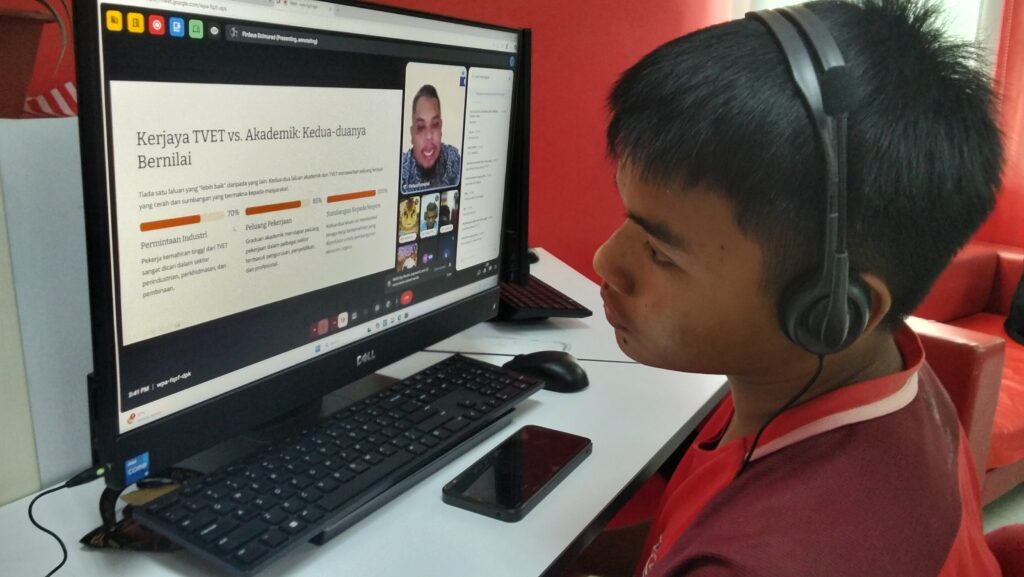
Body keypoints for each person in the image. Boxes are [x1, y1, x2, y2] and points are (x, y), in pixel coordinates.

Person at [581, 1, 1004, 576]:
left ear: (830, 311)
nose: (605, 261)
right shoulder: (872, 378)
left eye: (661, 252)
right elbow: (678, 535)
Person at [400, 84, 462, 191]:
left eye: (435, 124)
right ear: (412, 134)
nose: (429, 136)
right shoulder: (400, 170)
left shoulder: (453, 161)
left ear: (441, 128)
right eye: (421, 127)